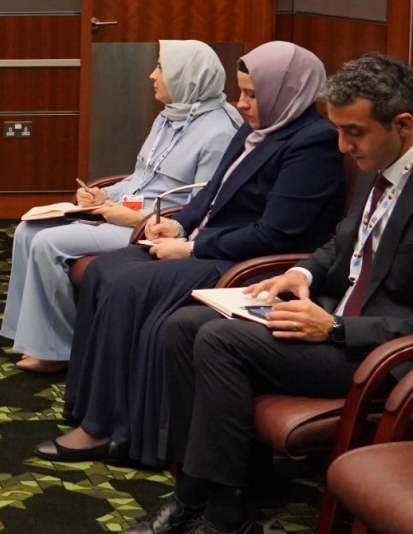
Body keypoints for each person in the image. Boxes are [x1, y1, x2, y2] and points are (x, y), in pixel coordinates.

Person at [122, 53, 413, 534]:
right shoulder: (381, 167)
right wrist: (300, 274)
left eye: (354, 133)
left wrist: (337, 328)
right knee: (184, 325)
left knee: (221, 342)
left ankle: (227, 524)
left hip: (378, 355)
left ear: (403, 125)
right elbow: (341, 244)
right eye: (338, 131)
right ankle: (192, 496)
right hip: (330, 321)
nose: (343, 147)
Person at [42, 41, 344, 466]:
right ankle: (92, 411)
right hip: (210, 245)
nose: (241, 103)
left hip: (242, 264)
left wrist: (193, 246)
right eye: (241, 92)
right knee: (104, 270)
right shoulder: (257, 128)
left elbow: (276, 233)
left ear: (287, 92)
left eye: (253, 94)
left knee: (130, 285)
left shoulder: (313, 143)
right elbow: (210, 193)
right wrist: (180, 223)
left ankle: (118, 431)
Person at [1, 41, 241, 373]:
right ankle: (30, 336)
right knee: (28, 230)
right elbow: (141, 177)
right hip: (120, 213)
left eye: (161, 68)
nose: (152, 75)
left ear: (186, 76)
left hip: (151, 227)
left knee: (47, 242)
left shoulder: (219, 132)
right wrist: (103, 195)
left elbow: (201, 209)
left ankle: (59, 350)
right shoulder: (169, 116)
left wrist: (130, 217)